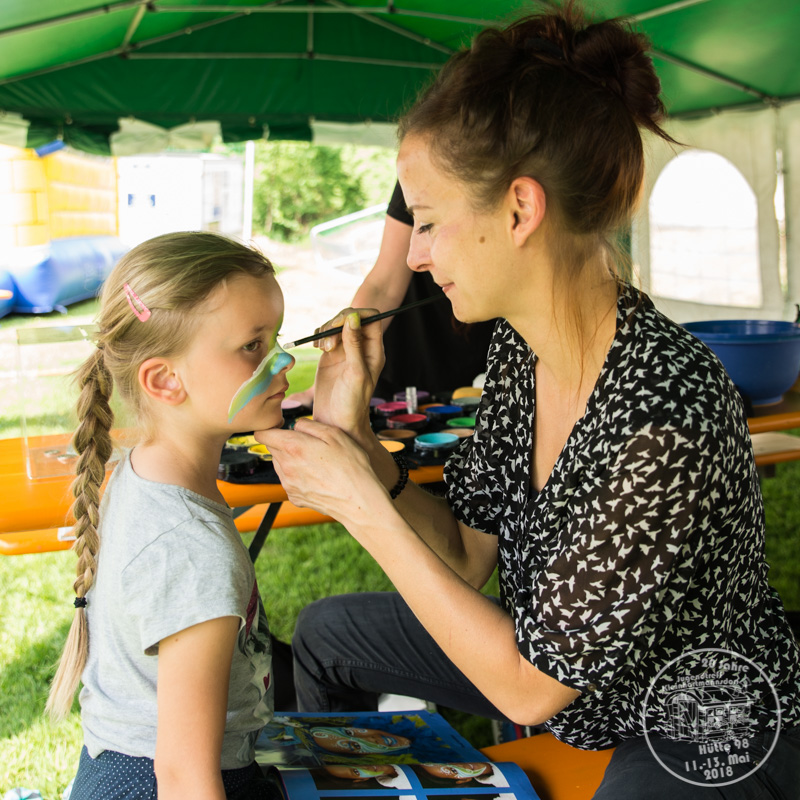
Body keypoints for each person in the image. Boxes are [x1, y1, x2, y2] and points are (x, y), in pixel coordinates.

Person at [256, 3, 800, 798]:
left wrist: (360, 506)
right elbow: (466, 553)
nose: (414, 255)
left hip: (692, 715)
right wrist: (358, 441)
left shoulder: (666, 412)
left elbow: (528, 690)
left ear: (520, 210)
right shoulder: (519, 351)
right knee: (325, 635)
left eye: (428, 221)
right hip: (557, 671)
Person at [47, 231, 294, 799]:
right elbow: (184, 775)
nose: (284, 359)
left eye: (276, 336)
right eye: (253, 345)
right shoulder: (189, 547)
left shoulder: (143, 472)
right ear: (164, 380)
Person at [291, 180, 495, 406]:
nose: (414, 260)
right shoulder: (414, 176)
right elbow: (383, 284)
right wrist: (322, 386)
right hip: (401, 371)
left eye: (428, 225)